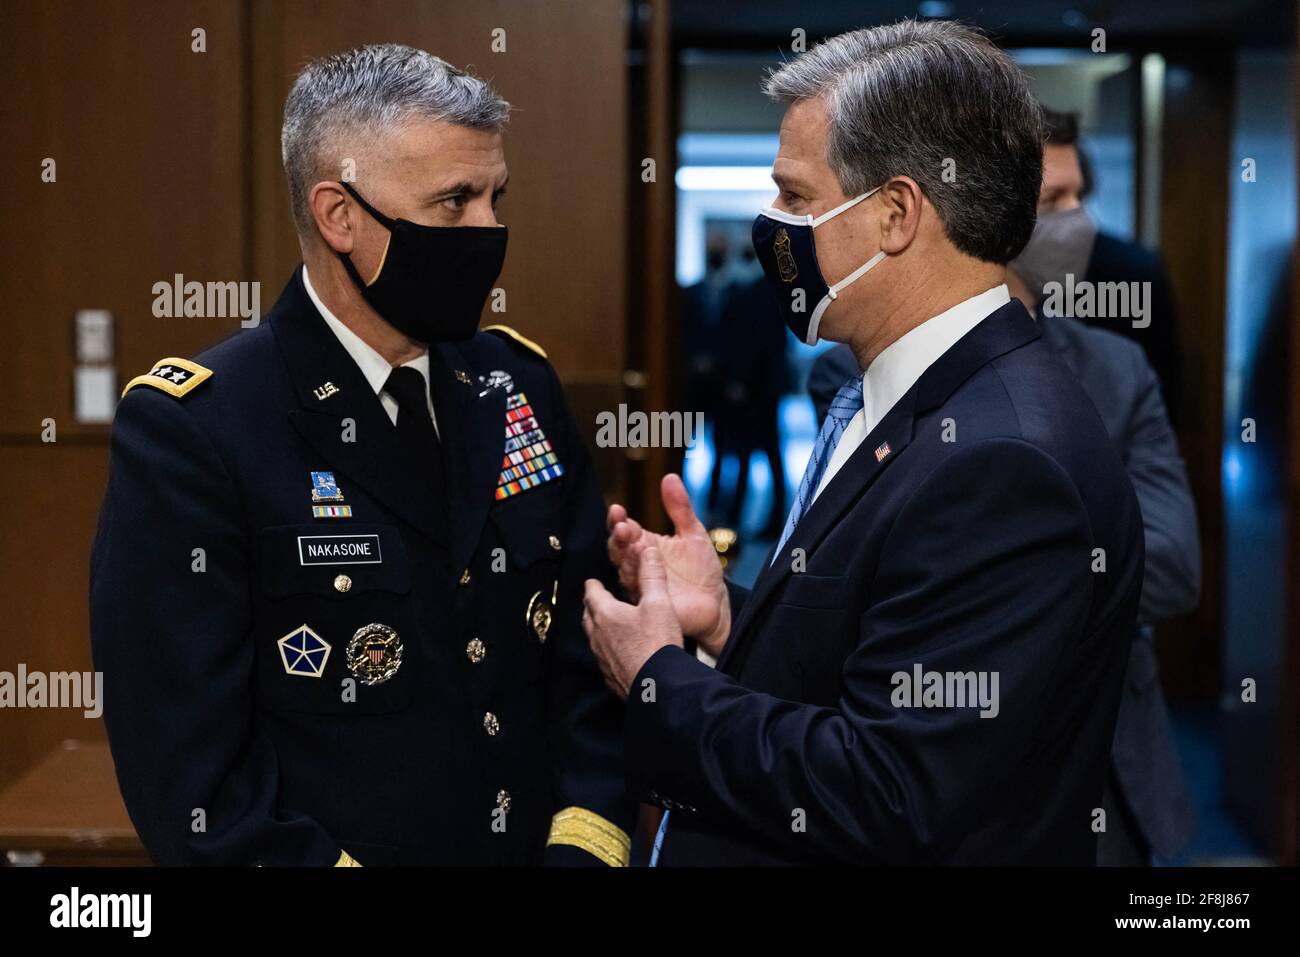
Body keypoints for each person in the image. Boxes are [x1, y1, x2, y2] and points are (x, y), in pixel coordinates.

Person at [581, 20, 1144, 865]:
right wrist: (732, 621)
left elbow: (895, 791)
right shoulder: (902, 392)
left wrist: (659, 678)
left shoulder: (1002, 461)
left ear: (894, 213)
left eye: (796, 197)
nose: (773, 222)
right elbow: (881, 644)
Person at [90, 44, 633, 867]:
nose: (489, 233)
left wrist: (583, 847)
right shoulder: (198, 430)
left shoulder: (516, 385)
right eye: (453, 203)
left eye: (496, 197)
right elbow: (195, 786)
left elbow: (585, 662)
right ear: (339, 216)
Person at [810, 296, 1200, 864]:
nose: (1062, 218)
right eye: (1052, 198)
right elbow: (859, 565)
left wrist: (1014, 572)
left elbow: (1175, 564)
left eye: (1073, 200)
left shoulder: (1117, 366)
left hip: (1099, 744)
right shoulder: (853, 371)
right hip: (908, 732)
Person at [1013, 108, 1184, 425]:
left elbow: (1164, 390)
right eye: (1051, 200)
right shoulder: (990, 269)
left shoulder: (1133, 270)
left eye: (1072, 196)